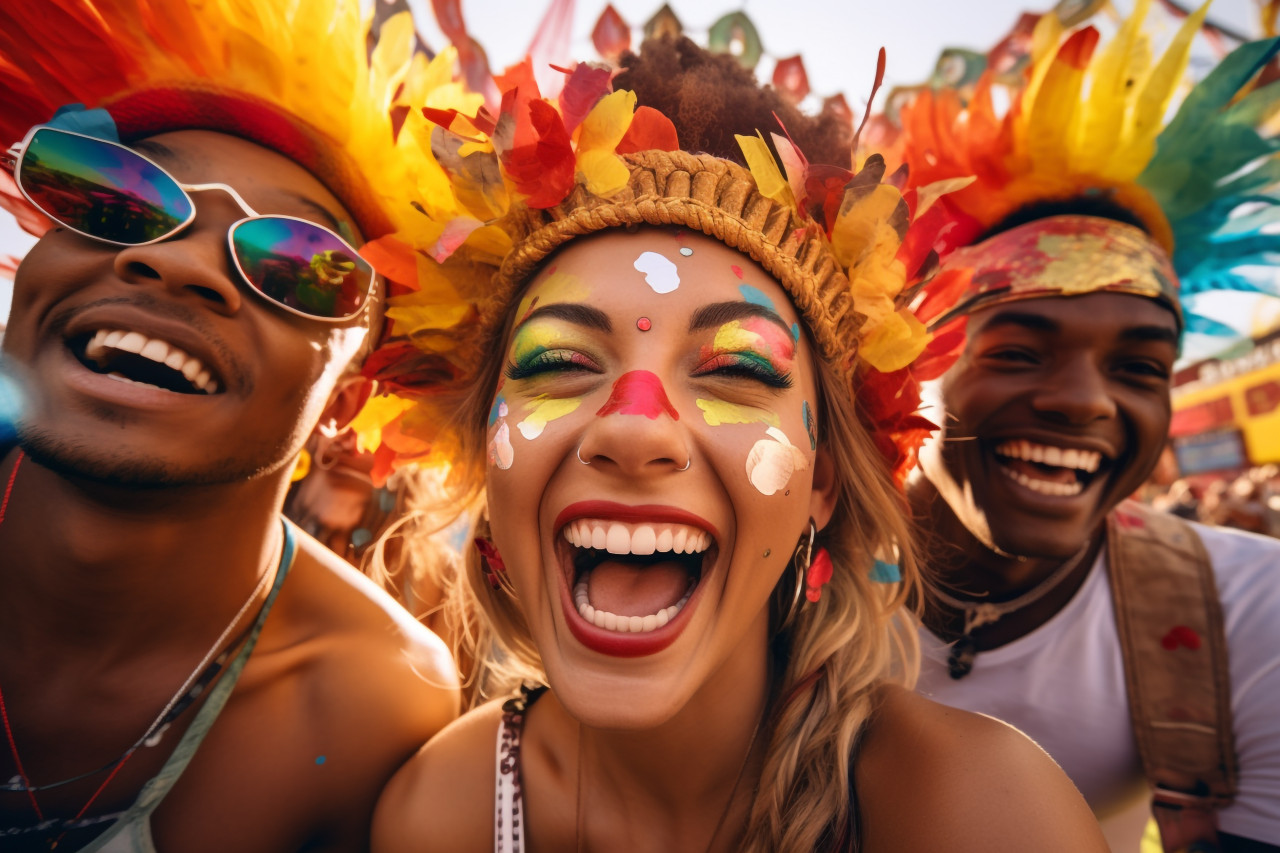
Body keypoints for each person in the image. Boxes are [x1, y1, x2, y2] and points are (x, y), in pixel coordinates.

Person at [368, 38, 1108, 853]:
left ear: (822, 483)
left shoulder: (980, 814)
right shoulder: (438, 816)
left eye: (737, 370)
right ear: (483, 450)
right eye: (558, 361)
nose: (633, 425)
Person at [0, 1, 464, 849]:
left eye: (296, 265)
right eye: (114, 199)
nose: (175, 261)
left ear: (349, 397)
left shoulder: (370, 708)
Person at [881, 5, 1280, 851]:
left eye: (1139, 367)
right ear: (920, 362)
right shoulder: (781, 577)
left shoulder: (1250, 606)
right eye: (1021, 351)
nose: (1085, 402)